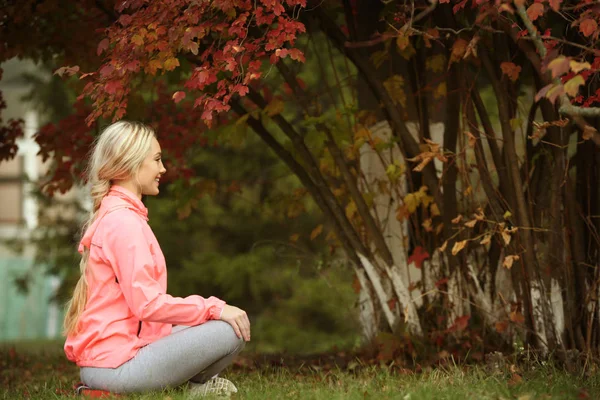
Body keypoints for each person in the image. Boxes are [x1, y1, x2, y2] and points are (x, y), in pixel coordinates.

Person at [63, 121, 250, 397]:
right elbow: (147, 305)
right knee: (228, 330)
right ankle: (193, 389)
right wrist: (213, 307)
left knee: (222, 323)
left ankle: (189, 388)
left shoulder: (120, 216)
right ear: (131, 164)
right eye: (157, 160)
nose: (163, 169)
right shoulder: (124, 223)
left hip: (113, 360)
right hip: (118, 367)